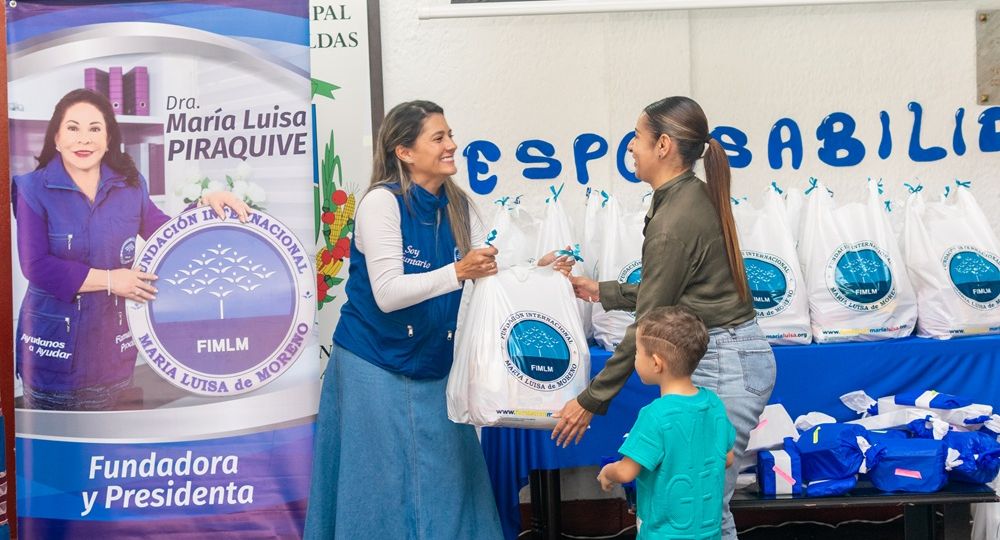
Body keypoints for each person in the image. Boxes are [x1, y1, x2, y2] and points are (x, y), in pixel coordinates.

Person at [304, 100, 573, 539]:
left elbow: (482, 272)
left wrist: (537, 270)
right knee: (377, 485)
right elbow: (388, 294)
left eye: (450, 135)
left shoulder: (457, 205)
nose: (452, 145)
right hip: (373, 363)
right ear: (404, 151)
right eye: (439, 137)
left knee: (452, 481)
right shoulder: (380, 204)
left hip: (436, 364)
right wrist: (459, 271)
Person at [554, 96, 776, 540]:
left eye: (637, 136)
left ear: (664, 146)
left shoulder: (675, 218)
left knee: (703, 514)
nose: (630, 147)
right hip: (731, 353)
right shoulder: (686, 197)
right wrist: (604, 292)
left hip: (723, 361)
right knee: (703, 509)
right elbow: (680, 286)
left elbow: (652, 320)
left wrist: (591, 400)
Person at [12, 88, 250, 411]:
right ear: (56, 137)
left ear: (109, 138)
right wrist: (111, 280)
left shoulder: (130, 184)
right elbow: (35, 265)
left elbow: (164, 234)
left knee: (109, 456)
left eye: (95, 128)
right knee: (56, 457)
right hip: (52, 357)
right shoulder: (30, 188)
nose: (84, 139)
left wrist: (204, 205)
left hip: (113, 355)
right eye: (73, 128)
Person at [597, 306, 734, 540]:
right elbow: (727, 458)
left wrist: (608, 473)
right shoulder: (714, 404)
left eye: (638, 352)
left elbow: (627, 472)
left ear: (657, 363)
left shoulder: (655, 415)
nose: (635, 358)